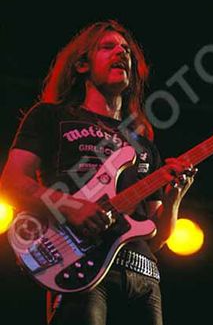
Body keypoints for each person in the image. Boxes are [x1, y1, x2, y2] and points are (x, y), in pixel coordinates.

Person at [0, 19, 196, 325]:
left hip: (144, 278)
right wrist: (72, 207)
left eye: (126, 50)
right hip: (82, 269)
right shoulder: (52, 117)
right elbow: (11, 182)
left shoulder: (144, 144)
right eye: (108, 47)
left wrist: (175, 198)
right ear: (81, 65)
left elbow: (157, 237)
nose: (122, 53)